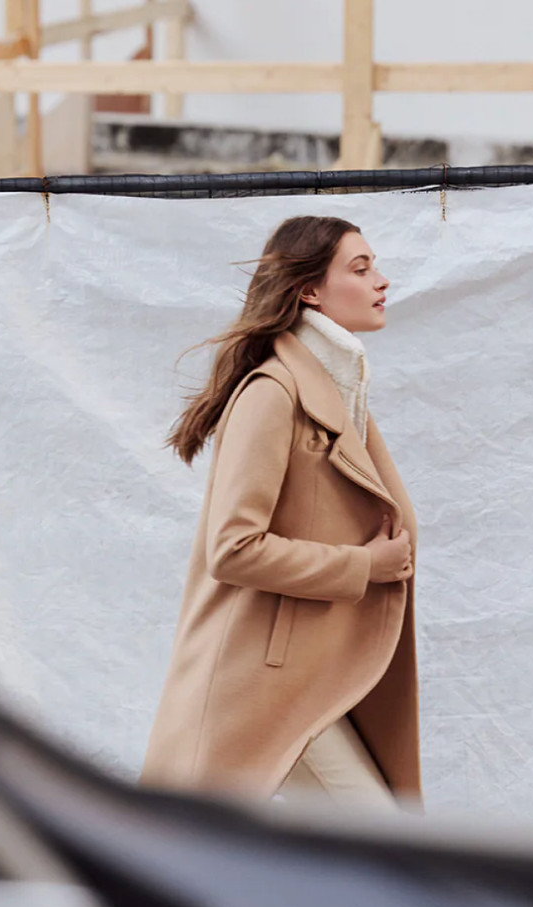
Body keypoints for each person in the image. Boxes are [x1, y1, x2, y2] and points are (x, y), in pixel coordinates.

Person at [140, 215, 421, 811]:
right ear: (310, 290)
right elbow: (233, 549)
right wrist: (362, 566)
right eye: (361, 268)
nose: (382, 281)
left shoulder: (337, 391)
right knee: (384, 851)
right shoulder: (274, 392)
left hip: (309, 674)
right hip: (267, 682)